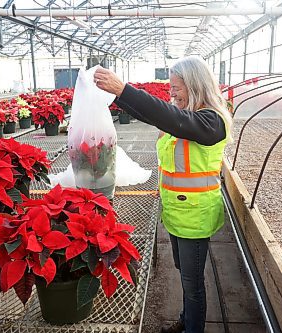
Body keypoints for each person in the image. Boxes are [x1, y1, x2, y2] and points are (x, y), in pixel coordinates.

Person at [94, 56, 232, 333]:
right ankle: (187, 319)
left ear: (195, 86)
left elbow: (171, 118)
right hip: (178, 212)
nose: (171, 93)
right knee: (185, 276)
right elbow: (157, 115)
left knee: (193, 285)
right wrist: (118, 97)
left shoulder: (210, 122)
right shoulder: (187, 117)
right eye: (170, 88)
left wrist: (124, 89)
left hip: (195, 215)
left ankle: (192, 327)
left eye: (176, 88)